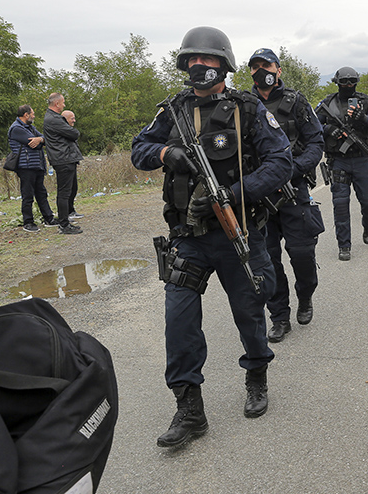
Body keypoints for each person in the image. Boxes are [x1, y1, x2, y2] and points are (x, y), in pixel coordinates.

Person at [131, 27, 292, 449]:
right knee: (179, 321)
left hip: (237, 229)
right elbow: (139, 149)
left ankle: (256, 374)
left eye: (208, 60)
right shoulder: (173, 111)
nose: (199, 67)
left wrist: (234, 196)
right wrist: (169, 154)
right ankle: (189, 408)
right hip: (188, 236)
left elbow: (280, 162)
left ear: (224, 64)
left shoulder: (248, 109)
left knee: (249, 312)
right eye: (192, 61)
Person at [247, 47, 325, 343]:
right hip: (260, 195)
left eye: (266, 65)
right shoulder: (245, 104)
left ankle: (305, 296)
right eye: (255, 66)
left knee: (302, 254)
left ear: (278, 69)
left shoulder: (296, 102)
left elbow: (315, 143)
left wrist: (289, 170)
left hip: (294, 191)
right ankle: (279, 316)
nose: (261, 70)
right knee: (267, 261)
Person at [315, 67, 368, 261]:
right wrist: (328, 129)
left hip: (362, 159)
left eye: (351, 82)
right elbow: (311, 126)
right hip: (339, 161)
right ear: (336, 83)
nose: (347, 86)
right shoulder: (327, 103)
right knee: (340, 206)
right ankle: (344, 245)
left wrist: (363, 118)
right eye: (343, 83)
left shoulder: (366, 102)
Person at [8, 105, 57, 232]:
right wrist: (40, 141)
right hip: (25, 166)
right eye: (32, 114)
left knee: (41, 193)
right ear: (26, 115)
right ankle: (28, 222)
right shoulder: (16, 128)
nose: (34, 116)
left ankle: (49, 218)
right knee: (27, 194)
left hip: (36, 165)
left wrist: (40, 139)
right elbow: (33, 145)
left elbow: (46, 139)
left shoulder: (30, 127)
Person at [43, 93, 83, 234]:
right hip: (63, 159)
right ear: (57, 104)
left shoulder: (52, 118)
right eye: (63, 102)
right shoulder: (54, 119)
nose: (64, 105)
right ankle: (64, 225)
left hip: (64, 158)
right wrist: (72, 131)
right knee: (64, 193)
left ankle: (65, 222)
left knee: (68, 191)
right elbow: (73, 134)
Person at [61, 110, 84, 218]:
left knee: (74, 188)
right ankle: (66, 214)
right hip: (65, 161)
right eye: (72, 118)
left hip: (72, 160)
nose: (74, 120)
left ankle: (71, 210)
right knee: (67, 190)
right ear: (65, 119)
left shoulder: (68, 129)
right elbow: (75, 135)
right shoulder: (63, 129)